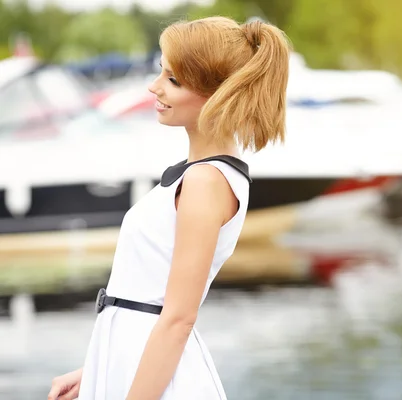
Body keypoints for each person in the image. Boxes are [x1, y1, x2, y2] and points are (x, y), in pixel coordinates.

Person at [47, 16, 290, 400]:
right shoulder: (200, 176)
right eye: (162, 71)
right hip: (133, 365)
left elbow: (177, 319)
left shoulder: (206, 182)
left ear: (218, 94)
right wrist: (93, 371)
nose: (155, 86)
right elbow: (147, 299)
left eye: (173, 80)